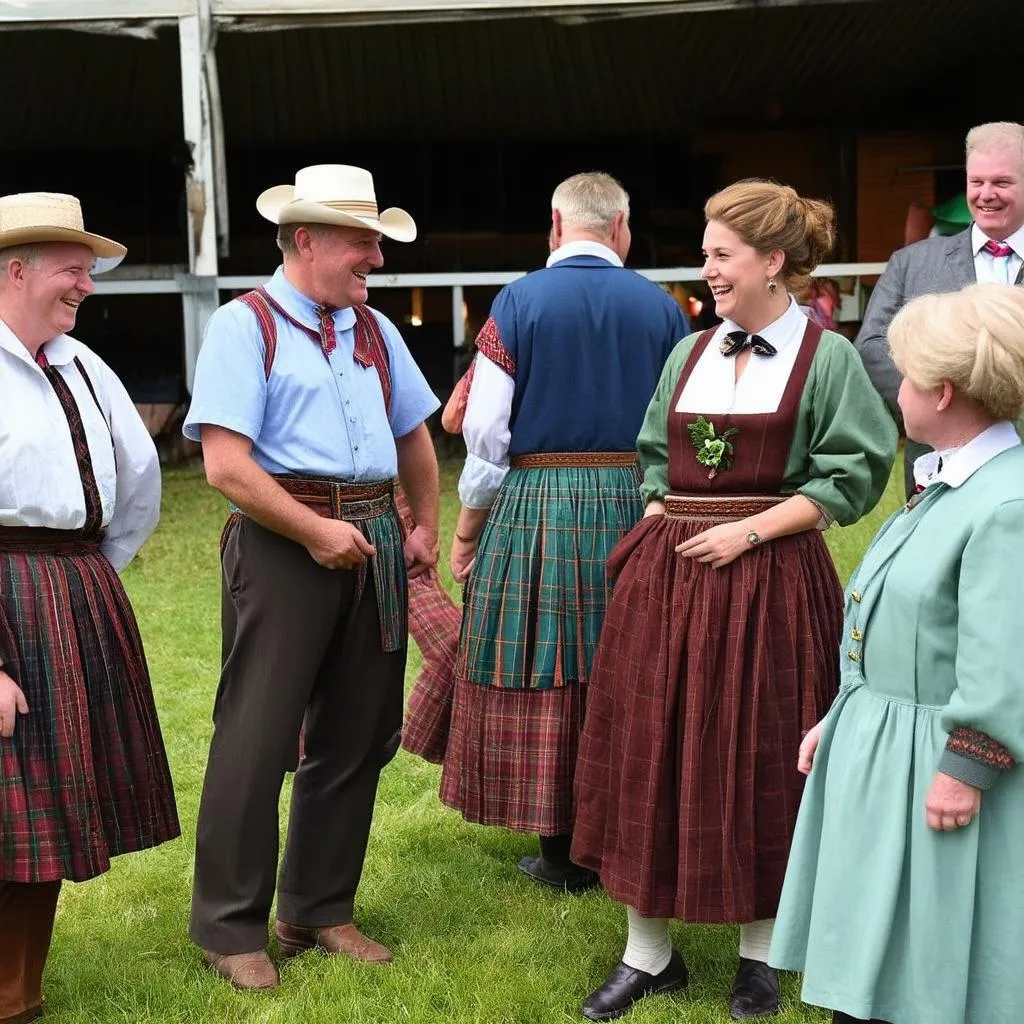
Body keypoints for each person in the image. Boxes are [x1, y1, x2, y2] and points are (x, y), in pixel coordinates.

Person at [571, 179, 897, 1021]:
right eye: (709, 254)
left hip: (771, 581)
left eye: (722, 255)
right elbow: (653, 452)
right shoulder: (687, 352)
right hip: (670, 580)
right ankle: (648, 955)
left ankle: (761, 956)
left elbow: (853, 474)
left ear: (772, 262)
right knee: (654, 744)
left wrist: (747, 534)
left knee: (759, 753)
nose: (707, 270)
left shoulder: (826, 359)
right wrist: (657, 521)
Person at [184, 165, 440, 990]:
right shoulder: (242, 325)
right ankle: (230, 928)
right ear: (306, 240)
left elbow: (415, 434)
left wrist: (425, 522)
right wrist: (315, 532)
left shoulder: (371, 327)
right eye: (363, 242)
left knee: (362, 732)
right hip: (280, 536)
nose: (376, 257)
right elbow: (225, 466)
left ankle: (317, 910)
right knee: (257, 737)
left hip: (371, 534)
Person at [404, 172, 688, 892]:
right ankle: (619, 842)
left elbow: (488, 434)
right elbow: (678, 424)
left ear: (556, 226)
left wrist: (467, 530)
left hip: (540, 503)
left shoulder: (518, 301)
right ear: (621, 226)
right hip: (638, 503)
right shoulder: (663, 310)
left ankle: (560, 851)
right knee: (628, 667)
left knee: (549, 666)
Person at [770, 284, 1024, 1024]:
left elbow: (1003, 656)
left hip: (937, 767)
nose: (898, 392)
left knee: (934, 962)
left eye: (908, 378)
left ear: (943, 393)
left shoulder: (1004, 506)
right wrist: (841, 716)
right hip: (886, 749)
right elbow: (887, 623)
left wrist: (966, 765)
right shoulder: (951, 485)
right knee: (879, 961)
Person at [0, 192, 179, 1023]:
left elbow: (137, 484)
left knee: (43, 811)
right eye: (74, 268)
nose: (87, 285)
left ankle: (17, 995)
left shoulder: (82, 365)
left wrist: (85, 582)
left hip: (70, 589)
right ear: (16, 270)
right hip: (6, 595)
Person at [856, 120, 1024, 497]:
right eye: (976, 182)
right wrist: (937, 402)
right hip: (937, 458)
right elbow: (871, 346)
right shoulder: (910, 263)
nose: (986, 194)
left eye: (1002, 183)